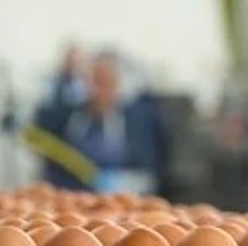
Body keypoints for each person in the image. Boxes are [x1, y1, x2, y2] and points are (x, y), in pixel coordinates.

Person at [33, 50, 163, 193]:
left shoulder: (137, 122)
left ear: (118, 85)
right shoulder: (65, 117)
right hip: (72, 196)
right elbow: (45, 150)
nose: (98, 91)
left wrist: (125, 182)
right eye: (94, 82)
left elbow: (149, 172)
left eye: (106, 83)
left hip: (119, 197)